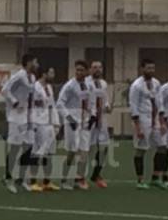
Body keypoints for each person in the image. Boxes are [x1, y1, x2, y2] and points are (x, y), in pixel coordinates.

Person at [2, 52, 39, 193]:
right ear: (29, 62)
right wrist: (15, 102)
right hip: (16, 118)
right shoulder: (19, 76)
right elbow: (4, 90)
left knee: (28, 147)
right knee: (15, 148)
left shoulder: (33, 77)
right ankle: (7, 178)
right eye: (35, 62)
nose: (37, 65)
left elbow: (30, 95)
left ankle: (21, 179)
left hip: (28, 117)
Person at [56, 60, 91, 191]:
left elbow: (89, 101)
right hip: (72, 122)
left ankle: (79, 179)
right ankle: (64, 179)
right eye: (77, 70)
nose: (79, 72)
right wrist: (69, 118)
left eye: (82, 70)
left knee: (85, 152)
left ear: (86, 72)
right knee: (72, 152)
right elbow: (59, 103)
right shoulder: (69, 86)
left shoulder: (88, 84)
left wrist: (91, 116)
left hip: (85, 122)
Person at [129, 59, 161, 190]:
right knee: (141, 150)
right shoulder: (136, 86)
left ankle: (155, 177)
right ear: (142, 69)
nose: (151, 71)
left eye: (153, 68)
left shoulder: (156, 83)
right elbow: (134, 106)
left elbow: (159, 101)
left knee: (162, 147)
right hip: (143, 119)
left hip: (155, 119)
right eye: (148, 68)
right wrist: (138, 127)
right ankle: (140, 179)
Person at [31, 66, 60, 191]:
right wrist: (33, 124)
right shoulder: (35, 87)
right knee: (38, 152)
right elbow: (32, 106)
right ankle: (33, 182)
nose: (53, 75)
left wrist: (56, 122)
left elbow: (52, 105)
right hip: (39, 124)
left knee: (49, 153)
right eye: (51, 72)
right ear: (44, 73)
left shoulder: (49, 87)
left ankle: (47, 181)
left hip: (49, 124)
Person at [86, 60, 112, 188]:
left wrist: (107, 106)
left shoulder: (103, 83)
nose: (97, 69)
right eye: (94, 67)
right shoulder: (85, 83)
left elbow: (105, 99)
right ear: (90, 70)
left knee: (104, 147)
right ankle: (79, 176)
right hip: (89, 119)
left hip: (101, 120)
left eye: (99, 67)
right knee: (87, 148)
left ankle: (96, 174)